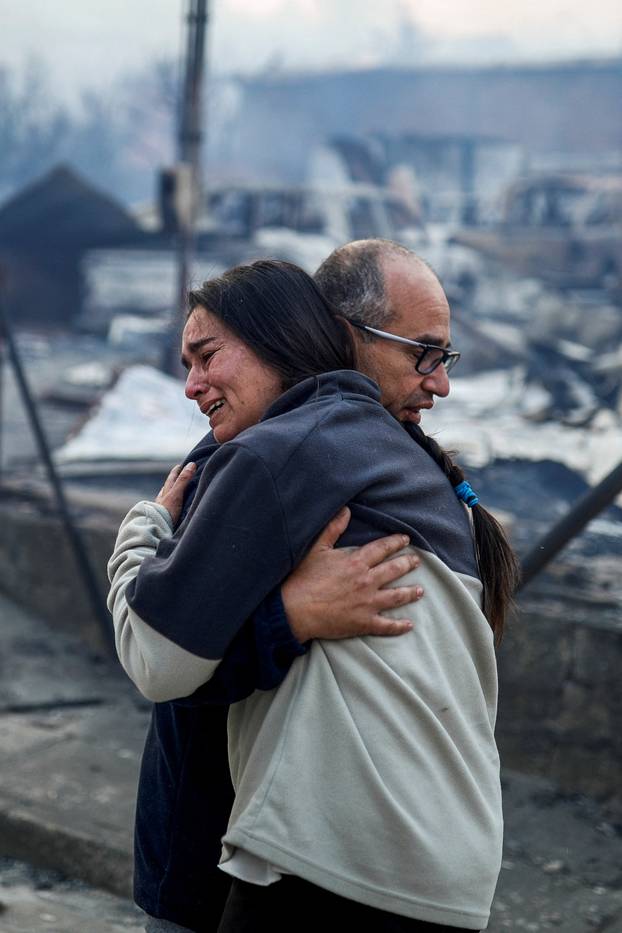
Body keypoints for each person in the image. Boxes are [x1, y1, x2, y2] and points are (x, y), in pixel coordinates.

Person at [108, 253, 518, 932]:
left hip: (319, 855)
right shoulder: (404, 473)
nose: (440, 381)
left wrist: (144, 527)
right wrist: (288, 618)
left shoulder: (282, 453)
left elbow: (164, 662)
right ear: (344, 334)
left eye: (207, 357)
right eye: (423, 353)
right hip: (442, 862)